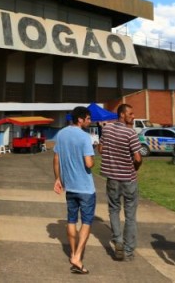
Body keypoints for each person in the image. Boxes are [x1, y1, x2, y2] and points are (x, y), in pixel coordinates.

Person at [53, 106, 96, 275]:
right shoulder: (85, 137)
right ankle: (77, 257)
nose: (89, 121)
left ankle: (72, 253)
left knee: (71, 220)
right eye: (88, 118)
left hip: (69, 186)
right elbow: (89, 164)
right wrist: (93, 156)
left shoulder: (62, 134)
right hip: (85, 187)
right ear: (80, 119)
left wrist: (57, 179)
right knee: (86, 222)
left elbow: (56, 158)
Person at [99, 103, 143, 262]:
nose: (133, 116)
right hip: (128, 179)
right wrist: (135, 167)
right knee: (130, 215)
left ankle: (117, 241)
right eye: (130, 114)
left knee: (114, 210)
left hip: (112, 178)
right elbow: (138, 158)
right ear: (122, 115)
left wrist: (112, 156)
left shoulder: (107, 129)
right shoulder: (130, 133)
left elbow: (101, 149)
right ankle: (128, 251)